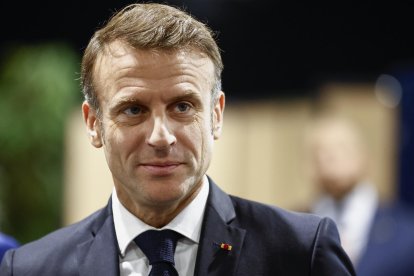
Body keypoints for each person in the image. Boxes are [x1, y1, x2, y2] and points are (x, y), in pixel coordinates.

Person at [0, 3, 355, 275]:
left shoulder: (301, 253)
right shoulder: (31, 268)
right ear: (93, 124)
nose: (161, 136)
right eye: (134, 110)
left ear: (216, 115)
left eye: (182, 106)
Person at [305, 114, 414, 276]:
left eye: (341, 147)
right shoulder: (294, 230)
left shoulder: (407, 232)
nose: (330, 156)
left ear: (364, 155)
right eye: (319, 150)